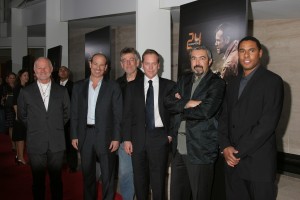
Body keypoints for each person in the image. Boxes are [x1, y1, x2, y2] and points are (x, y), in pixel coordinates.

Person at [218, 36, 284, 200]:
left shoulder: (273, 81)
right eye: (242, 51)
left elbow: (267, 124)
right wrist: (225, 146)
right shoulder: (232, 82)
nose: (246, 56)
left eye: (251, 50)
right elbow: (224, 116)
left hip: (258, 162)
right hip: (232, 162)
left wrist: (237, 153)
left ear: (260, 53)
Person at [164, 45, 226, 200]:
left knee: (200, 195)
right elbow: (167, 102)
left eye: (202, 58)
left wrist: (180, 105)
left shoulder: (216, 83)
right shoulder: (184, 79)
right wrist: (189, 102)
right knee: (177, 195)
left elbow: (205, 111)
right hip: (179, 149)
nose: (197, 62)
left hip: (201, 150)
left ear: (210, 61)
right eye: (193, 58)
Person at [122, 49, 175, 200]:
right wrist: (126, 139)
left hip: (160, 138)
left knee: (158, 182)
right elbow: (127, 116)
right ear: (142, 65)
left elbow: (175, 114)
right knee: (140, 181)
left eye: (154, 64)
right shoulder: (132, 87)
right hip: (137, 138)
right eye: (147, 64)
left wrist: (170, 135)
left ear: (159, 65)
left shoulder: (170, 86)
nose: (150, 67)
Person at [71, 53, 122, 200]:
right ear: (90, 64)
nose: (98, 68)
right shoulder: (78, 86)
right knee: (87, 175)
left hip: (106, 137)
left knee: (108, 176)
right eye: (95, 64)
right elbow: (74, 113)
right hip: (85, 135)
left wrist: (116, 138)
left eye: (102, 65)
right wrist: (74, 135)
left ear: (106, 68)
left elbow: (118, 115)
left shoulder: (113, 87)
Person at [17, 57, 70, 200]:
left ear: (52, 69)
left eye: (45, 67)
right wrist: (37, 127)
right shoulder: (26, 92)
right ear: (34, 71)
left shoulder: (62, 91)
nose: (42, 70)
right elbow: (22, 115)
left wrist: (54, 126)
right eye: (39, 68)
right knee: (38, 181)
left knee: (56, 180)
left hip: (56, 141)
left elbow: (67, 114)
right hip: (36, 141)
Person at [116, 47, 144, 200]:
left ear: (137, 62)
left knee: (141, 174)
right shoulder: (116, 84)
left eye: (131, 60)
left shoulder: (147, 81)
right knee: (125, 173)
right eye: (124, 61)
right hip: (123, 137)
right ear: (121, 64)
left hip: (143, 136)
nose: (128, 63)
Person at [57, 66, 78, 173]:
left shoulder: (73, 86)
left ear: (68, 73)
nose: (63, 72)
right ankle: (59, 164)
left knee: (71, 144)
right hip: (56, 120)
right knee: (58, 143)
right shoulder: (54, 85)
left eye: (65, 70)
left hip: (69, 120)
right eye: (61, 70)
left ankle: (72, 165)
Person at [12, 69, 29, 165]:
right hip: (20, 116)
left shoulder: (23, 87)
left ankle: (18, 156)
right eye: (24, 75)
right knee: (21, 138)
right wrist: (18, 115)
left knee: (20, 138)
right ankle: (21, 158)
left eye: (27, 75)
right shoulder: (19, 88)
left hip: (22, 115)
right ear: (20, 77)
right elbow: (15, 103)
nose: (27, 77)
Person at [2, 72, 17, 151]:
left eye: (13, 78)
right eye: (10, 78)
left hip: (17, 109)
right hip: (9, 109)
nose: (12, 79)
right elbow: (3, 98)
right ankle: (13, 145)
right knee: (11, 127)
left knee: (16, 127)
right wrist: (5, 97)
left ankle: (18, 143)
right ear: (8, 79)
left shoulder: (17, 86)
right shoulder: (5, 87)